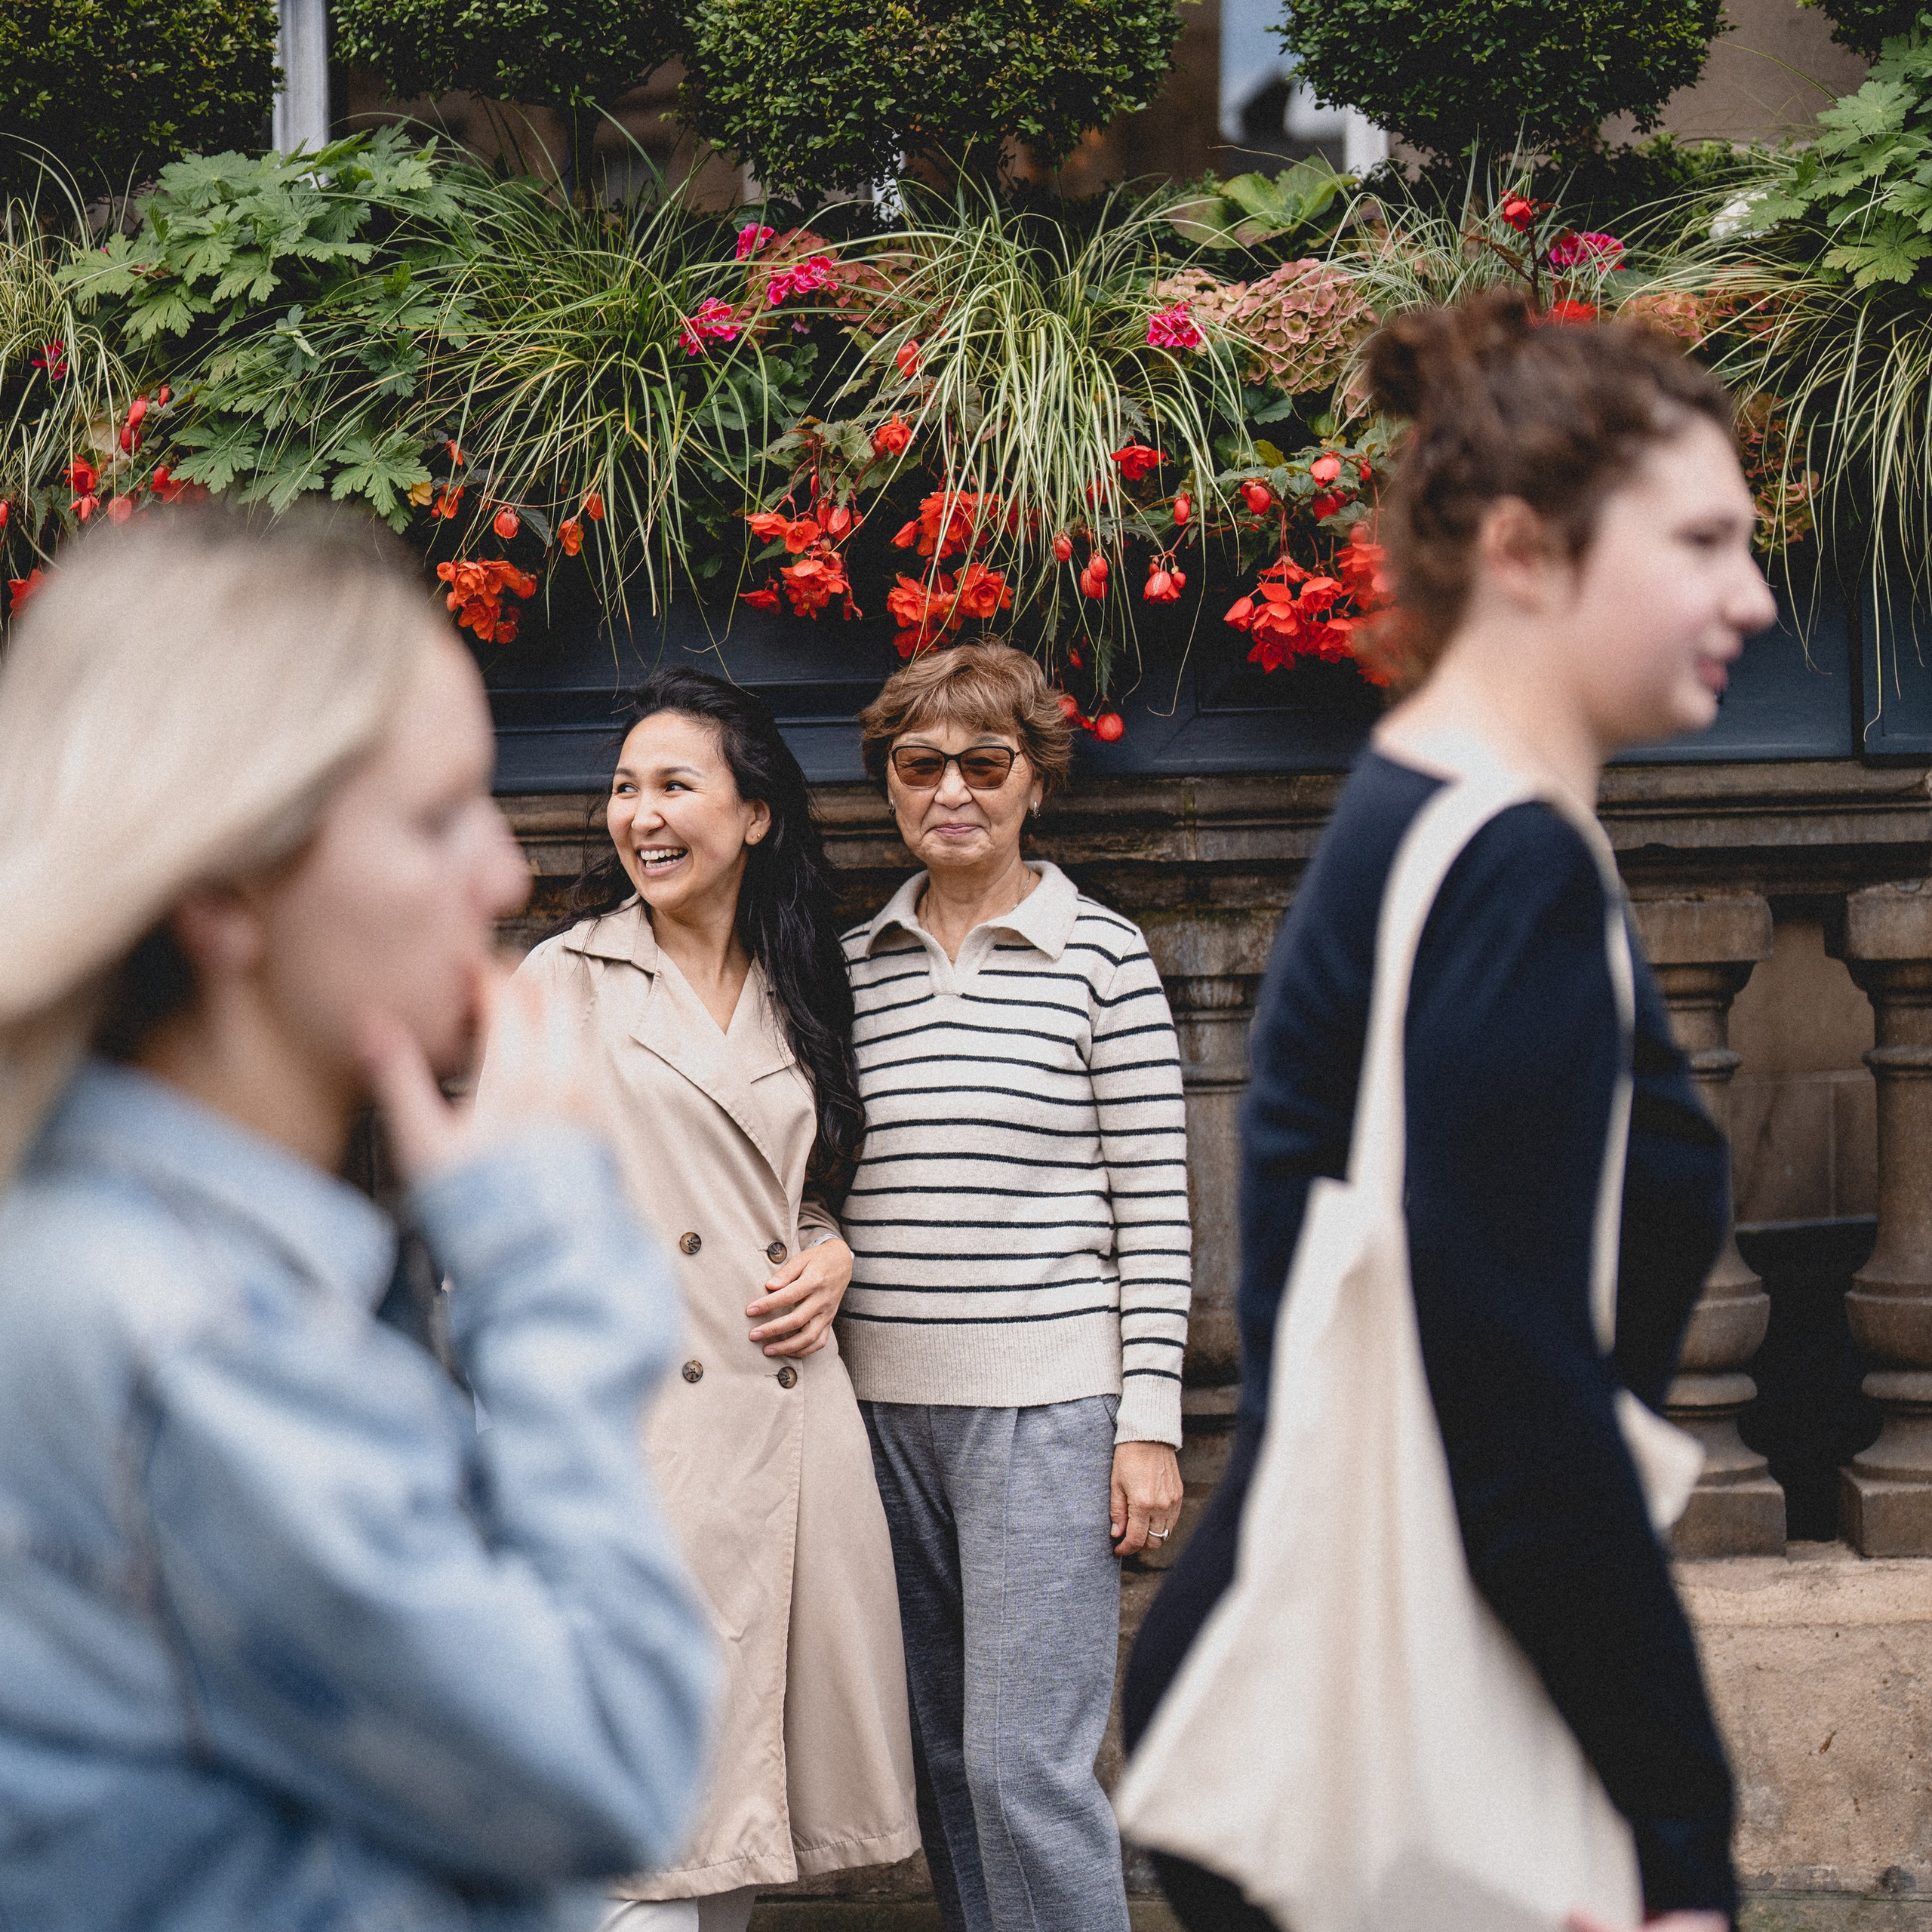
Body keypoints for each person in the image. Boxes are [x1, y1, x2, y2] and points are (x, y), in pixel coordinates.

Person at [1122, 290, 1776, 1932]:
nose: (1750, 595)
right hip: (1407, 1715)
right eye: (1699, 540)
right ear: (1522, 551)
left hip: (1356, 1660)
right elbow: (1509, 1397)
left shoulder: (1428, 823)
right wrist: (1672, 1833)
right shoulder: (1505, 863)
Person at [0, 503, 718, 1932]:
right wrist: (549, 1260)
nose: (506, 875)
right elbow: (616, 1760)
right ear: (224, 886)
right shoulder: (190, 1333)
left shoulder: (131, 1261)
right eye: (437, 817)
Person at [484, 669, 919, 1932]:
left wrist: (832, 1250)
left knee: (732, 1848)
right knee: (643, 1847)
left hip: (783, 1440)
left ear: (756, 815)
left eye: (677, 785)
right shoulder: (563, 980)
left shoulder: (806, 982)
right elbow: (482, 1226)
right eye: (625, 788)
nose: (642, 814)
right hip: (634, 1443)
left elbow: (793, 1184)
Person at [840, 641, 1192, 1932]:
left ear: (1035, 779)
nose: (952, 793)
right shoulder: (852, 964)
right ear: (887, 783)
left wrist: (1146, 1421)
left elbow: (1158, 1207)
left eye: (985, 765)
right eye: (919, 765)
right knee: (943, 1763)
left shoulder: (1102, 957)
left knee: (1021, 1763)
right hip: (880, 1418)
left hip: (1044, 1415)